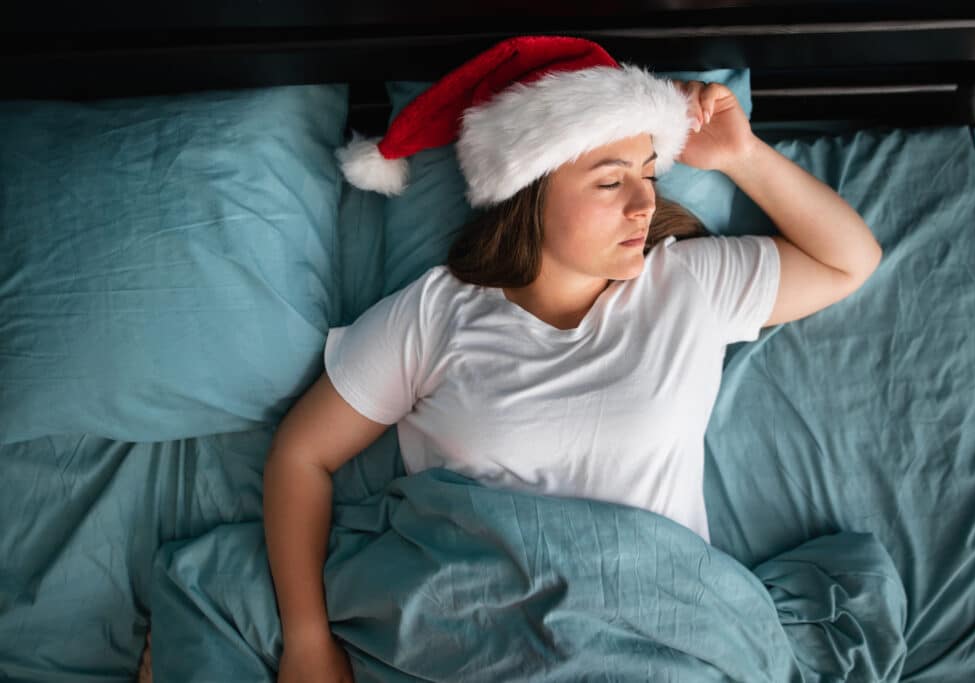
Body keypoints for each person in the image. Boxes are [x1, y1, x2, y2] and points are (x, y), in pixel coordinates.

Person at [263, 35, 883, 683]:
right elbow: (301, 455)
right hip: (479, 644)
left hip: (662, 638)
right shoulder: (434, 314)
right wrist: (307, 641)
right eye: (612, 180)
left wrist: (742, 155)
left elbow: (849, 259)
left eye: (649, 172)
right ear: (529, 187)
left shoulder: (687, 286)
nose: (645, 204)